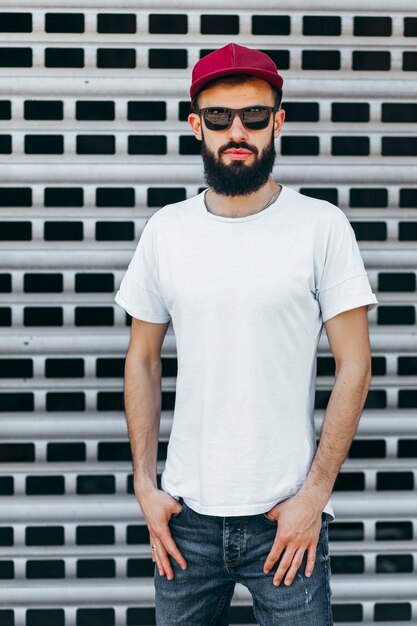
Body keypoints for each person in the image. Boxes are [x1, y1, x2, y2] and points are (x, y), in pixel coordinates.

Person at [114, 42, 379, 625]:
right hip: (185, 521)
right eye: (219, 117)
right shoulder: (167, 231)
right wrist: (144, 485)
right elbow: (143, 360)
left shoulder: (321, 226)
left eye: (254, 116)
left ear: (277, 122)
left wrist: (314, 497)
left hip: (286, 522)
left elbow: (355, 364)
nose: (238, 131)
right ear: (196, 125)